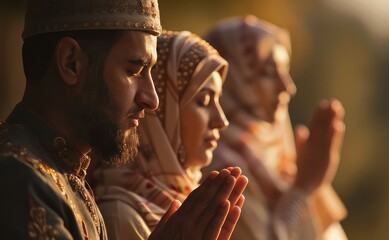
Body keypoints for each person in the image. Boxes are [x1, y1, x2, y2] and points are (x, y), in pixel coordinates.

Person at [0, 0, 244, 239]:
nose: (152, 99)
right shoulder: (18, 179)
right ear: (71, 63)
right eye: (134, 71)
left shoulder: (71, 177)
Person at [202, 15, 348, 240]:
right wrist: (302, 188)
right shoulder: (219, 167)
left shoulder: (278, 155)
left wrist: (312, 179)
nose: (287, 86)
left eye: (285, 70)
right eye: (269, 72)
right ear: (231, 78)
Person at [92, 30, 248, 240]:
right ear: (161, 113)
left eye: (218, 100)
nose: (222, 121)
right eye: (203, 101)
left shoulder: (194, 210)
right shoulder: (121, 217)